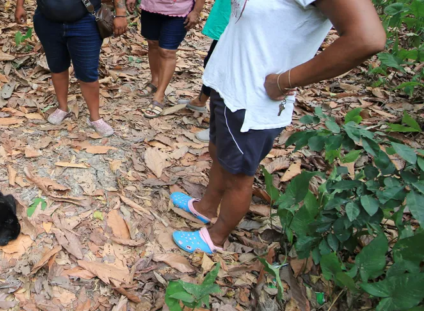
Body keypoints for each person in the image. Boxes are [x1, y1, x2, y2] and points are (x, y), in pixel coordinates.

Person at [170, 0, 386, 254]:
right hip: (229, 82)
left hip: (254, 99)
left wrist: (286, 80)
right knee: (218, 152)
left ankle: (216, 237)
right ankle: (206, 207)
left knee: (238, 175)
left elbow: (367, 38)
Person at [16, 0, 128, 137]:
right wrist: (20, 6)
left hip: (85, 20)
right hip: (47, 21)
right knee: (57, 66)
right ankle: (62, 107)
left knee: (87, 72)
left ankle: (95, 118)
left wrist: (121, 14)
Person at [128, 0, 205, 118]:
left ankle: (160, 94)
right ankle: (155, 81)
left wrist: (196, 11)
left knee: (167, 51)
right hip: (151, 7)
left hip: (179, 10)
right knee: (153, 43)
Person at [176, 0, 231, 142]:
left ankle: (220, 127)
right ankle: (200, 101)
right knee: (212, 63)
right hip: (229, 17)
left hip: (244, 27)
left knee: (227, 72)